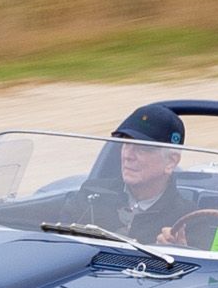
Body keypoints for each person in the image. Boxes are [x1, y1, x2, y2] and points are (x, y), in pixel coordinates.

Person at [73, 103, 194, 244]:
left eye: (142, 148)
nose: (128, 156)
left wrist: (181, 251)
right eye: (126, 143)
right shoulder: (91, 194)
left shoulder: (189, 219)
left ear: (171, 162)